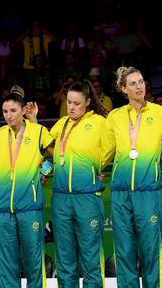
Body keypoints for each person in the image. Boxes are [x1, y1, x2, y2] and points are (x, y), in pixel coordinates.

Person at [101, 67, 162, 287]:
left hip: (148, 192)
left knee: (151, 250)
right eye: (133, 84)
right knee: (124, 251)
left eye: (141, 81)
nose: (139, 86)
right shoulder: (115, 117)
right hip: (120, 193)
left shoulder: (161, 113)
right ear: (124, 89)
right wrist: (91, 169)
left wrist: (158, 157)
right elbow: (104, 153)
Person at [0, 87, 54, 288]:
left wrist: (43, 173)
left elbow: (56, 157)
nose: (8, 115)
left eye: (13, 111)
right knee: (7, 264)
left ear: (22, 111)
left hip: (29, 207)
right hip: (2, 209)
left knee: (34, 262)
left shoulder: (38, 132)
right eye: (5, 111)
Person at [49, 80, 108, 287]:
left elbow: (116, 147)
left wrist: (99, 169)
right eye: (69, 102)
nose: (71, 107)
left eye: (76, 103)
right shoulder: (62, 123)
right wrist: (54, 161)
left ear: (88, 103)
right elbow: (46, 144)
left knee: (91, 257)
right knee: (65, 258)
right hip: (61, 197)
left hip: (87, 196)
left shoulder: (100, 123)